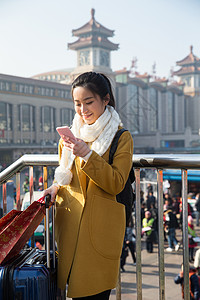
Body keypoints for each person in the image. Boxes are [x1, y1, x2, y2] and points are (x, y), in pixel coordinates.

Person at [43, 72, 133, 299]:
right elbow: (65, 177)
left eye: (89, 102)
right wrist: (54, 188)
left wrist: (88, 155)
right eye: (77, 104)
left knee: (94, 292)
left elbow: (116, 183)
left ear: (106, 99)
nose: (83, 110)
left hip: (99, 232)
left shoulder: (121, 137)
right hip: (69, 230)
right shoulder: (69, 137)